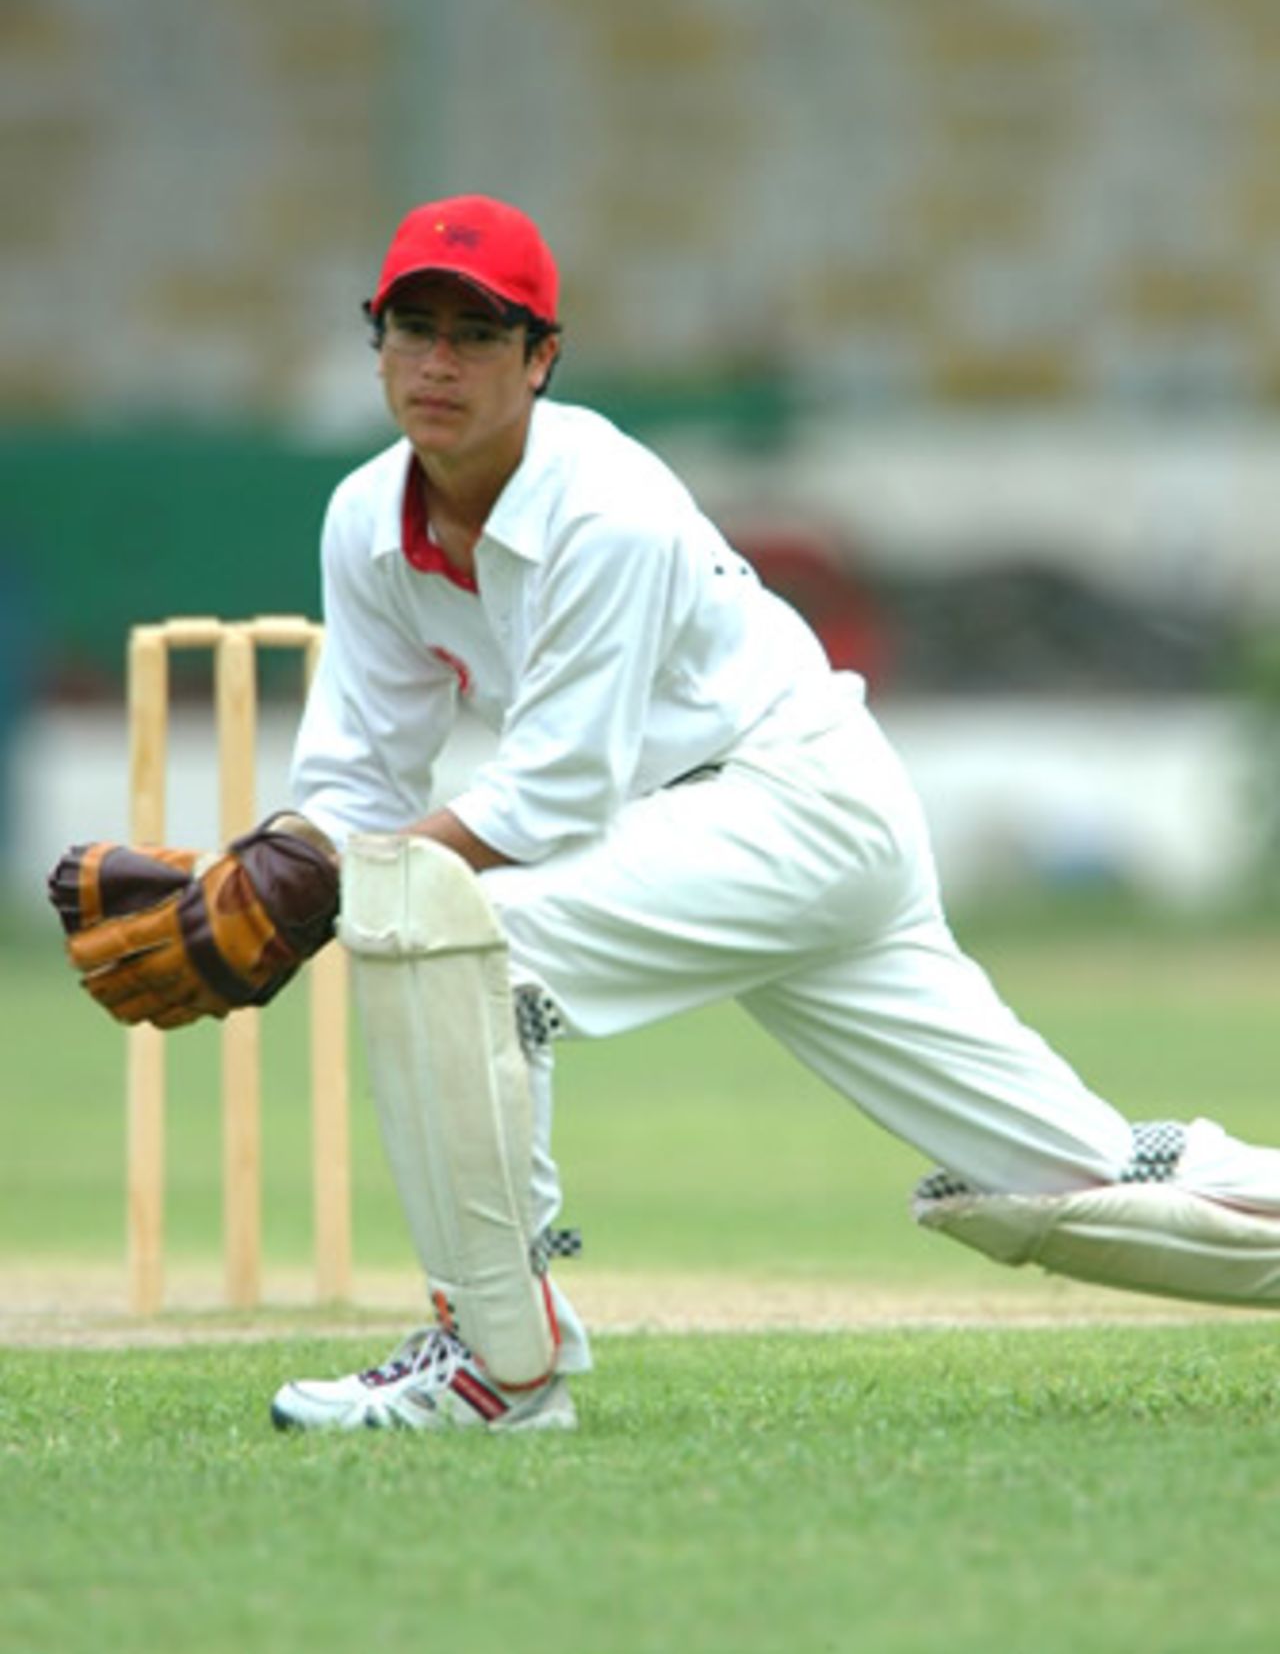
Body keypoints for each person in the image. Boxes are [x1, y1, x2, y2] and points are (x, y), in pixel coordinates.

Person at [52, 194, 1280, 1435]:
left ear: (541, 359)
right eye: (411, 327)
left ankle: (499, 1367)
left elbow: (554, 792)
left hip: (792, 802)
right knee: (1065, 1183)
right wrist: (272, 864)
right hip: (736, 833)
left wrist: (317, 895)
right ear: (374, 343)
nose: (436, 362)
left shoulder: (606, 504)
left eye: (477, 335)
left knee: (462, 944)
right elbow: (360, 776)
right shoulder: (366, 518)